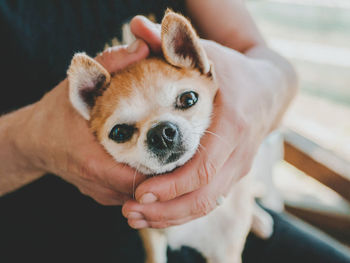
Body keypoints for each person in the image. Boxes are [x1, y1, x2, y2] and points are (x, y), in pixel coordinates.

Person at [1, 0, 349, 262]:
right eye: (123, 131)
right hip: (42, 233)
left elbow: (274, 65)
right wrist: (28, 142)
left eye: (185, 100)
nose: (163, 133)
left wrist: (264, 89)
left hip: (227, 205)